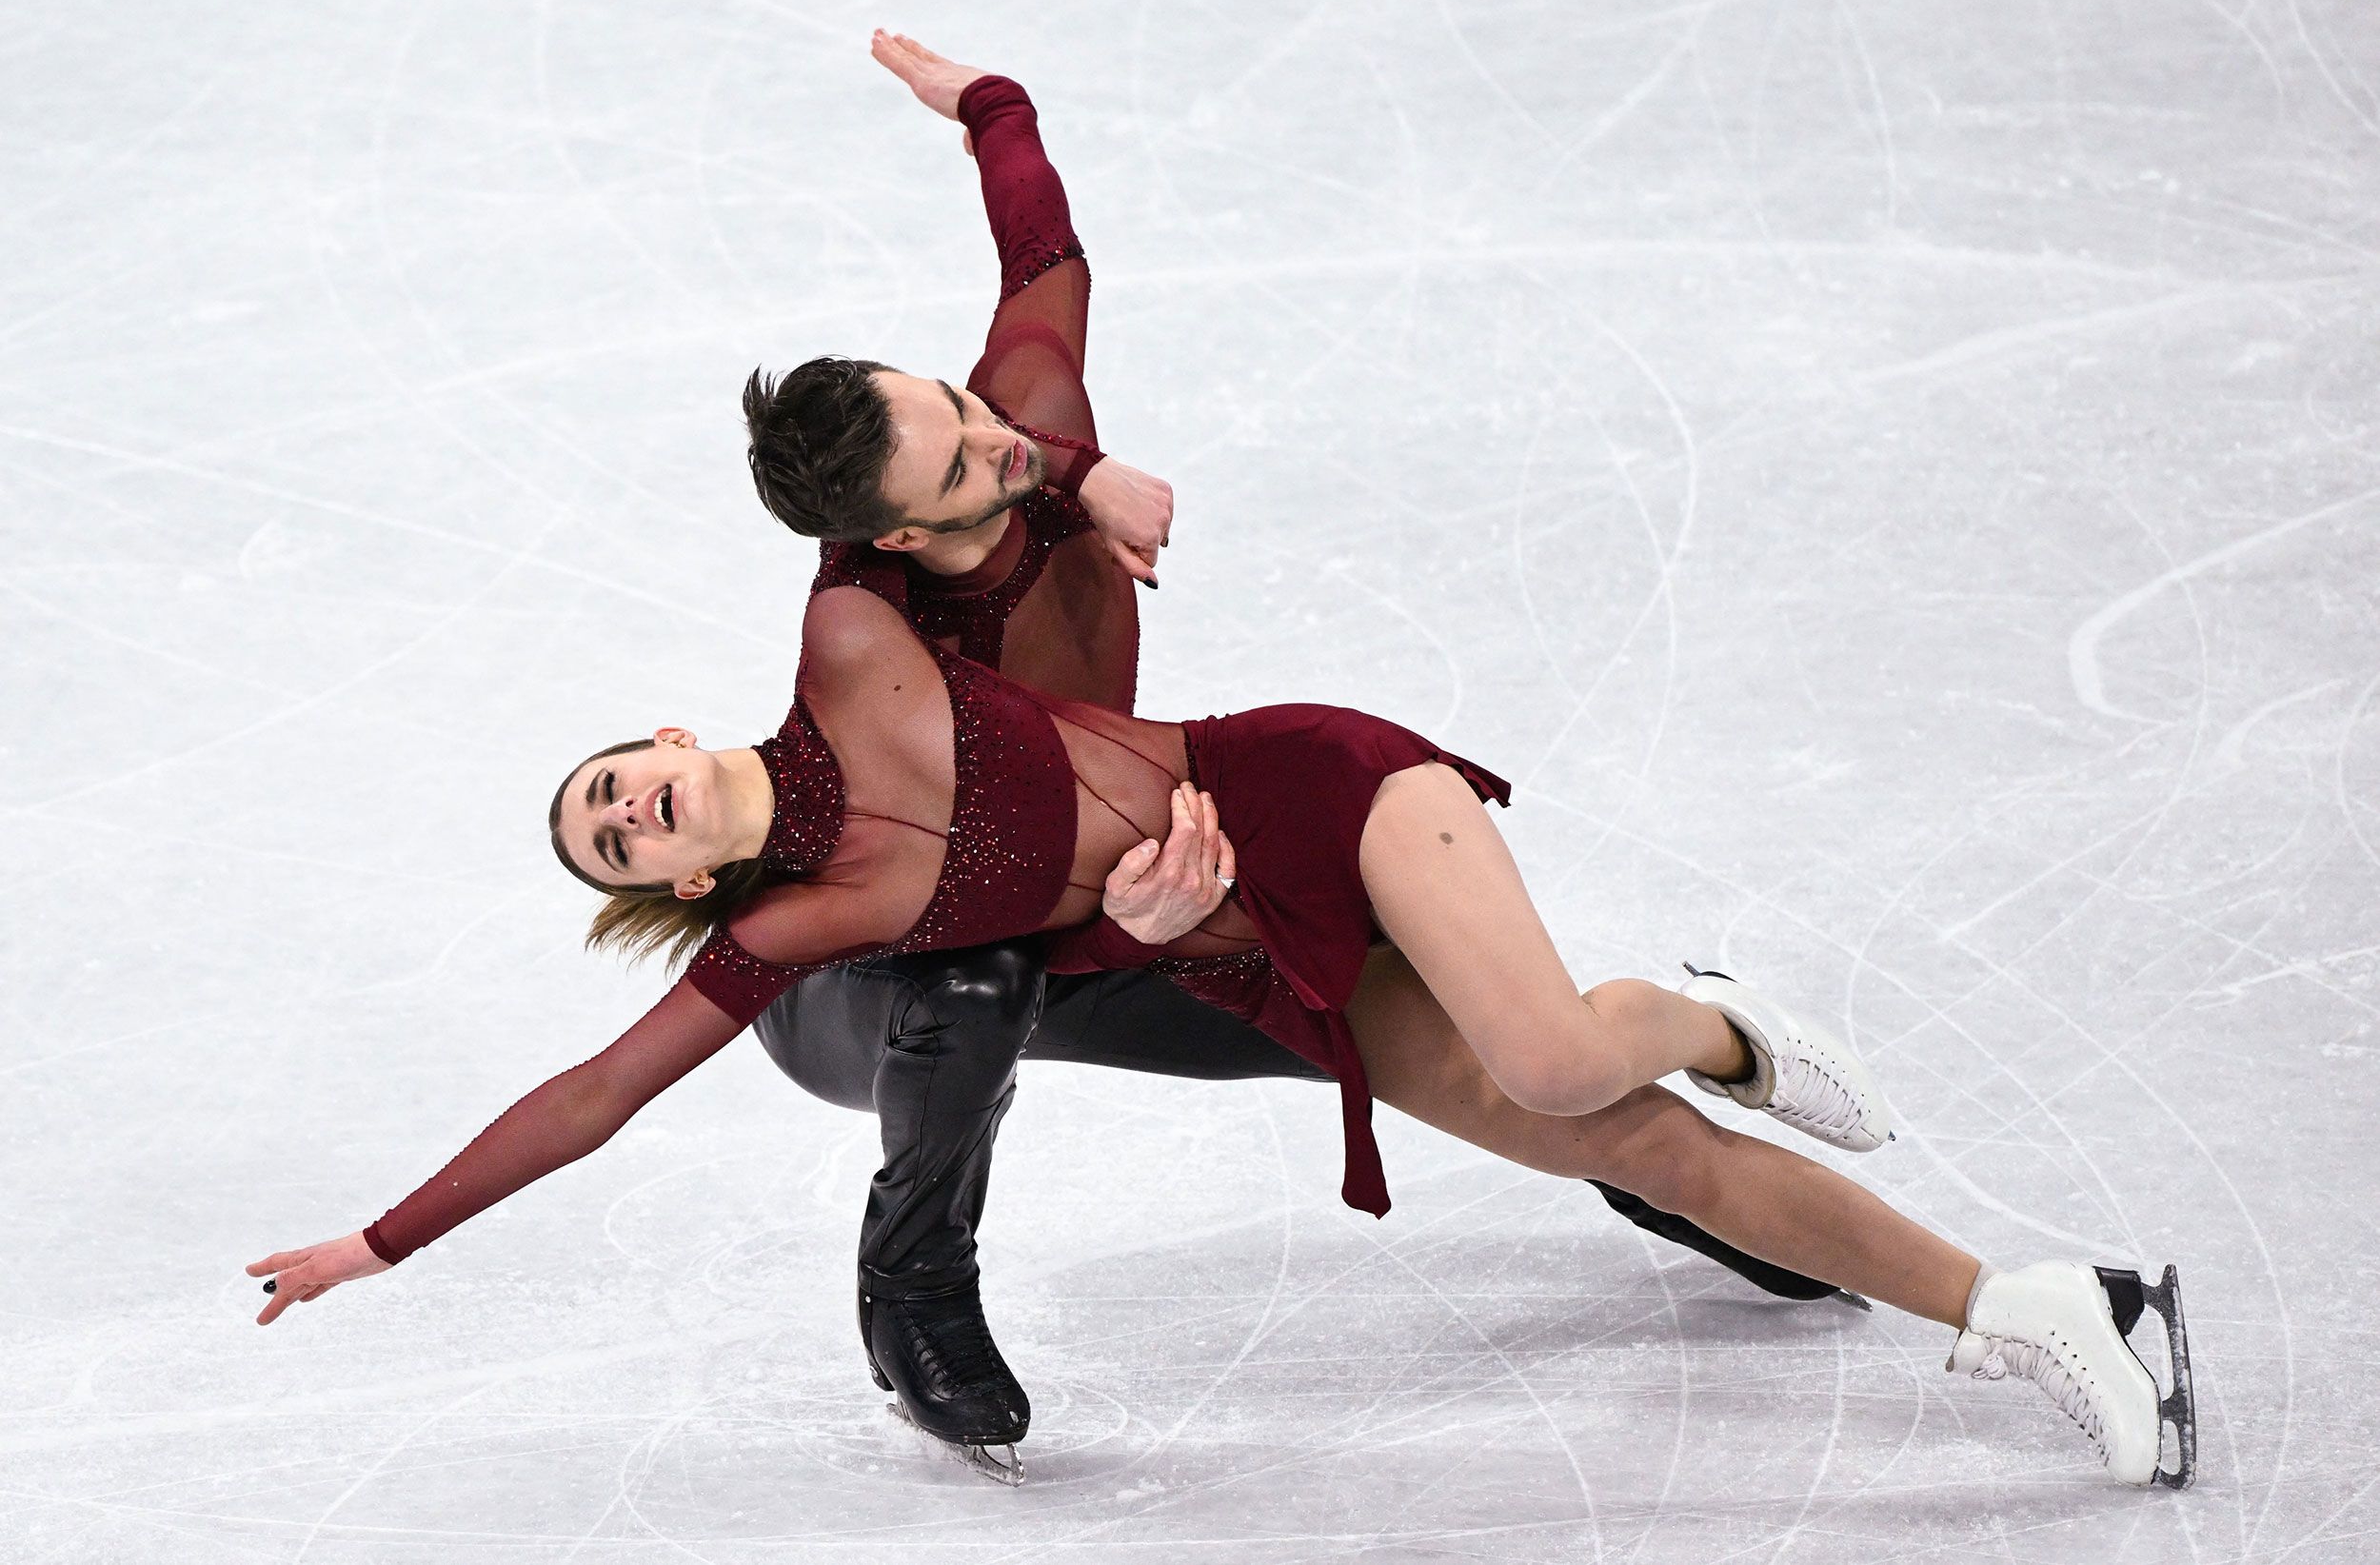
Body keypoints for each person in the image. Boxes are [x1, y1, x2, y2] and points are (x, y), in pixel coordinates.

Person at [249, 568, 2195, 1490]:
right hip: (1231, 951)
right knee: (1629, 1138)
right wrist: (378, 1240)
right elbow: (596, 1091)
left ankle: (1697, 1016)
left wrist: (993, 126)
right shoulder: (813, 922)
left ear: (671, 738)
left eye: (618, 780)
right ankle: (2039, 1306)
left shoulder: (847, 651)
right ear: (665, 879)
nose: (628, 814)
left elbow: (995, 448)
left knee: (1549, 1057)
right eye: (609, 840)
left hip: (1311, 795)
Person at [725, 31, 1843, 1463]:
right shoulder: (878, 658)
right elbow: (961, 872)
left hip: (1075, 900)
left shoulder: (1020, 422)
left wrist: (993, 106)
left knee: (1362, 996)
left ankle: (1649, 1161)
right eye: (955, 460)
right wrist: (1140, 906)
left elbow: (1041, 249)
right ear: (884, 536)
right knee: (982, 971)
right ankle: (913, 1285)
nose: (987, 435)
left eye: (957, 406)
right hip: (868, 973)